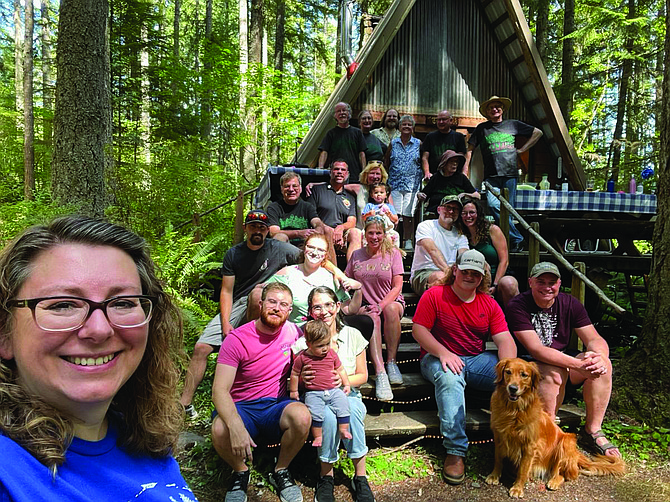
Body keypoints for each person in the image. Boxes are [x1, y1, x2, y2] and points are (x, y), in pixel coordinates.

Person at [0, 216, 195, 500]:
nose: (100, 329)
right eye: (63, 304)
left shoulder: (141, 438)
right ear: (5, 333)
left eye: (123, 303)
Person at [179, 210, 301, 419]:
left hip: (267, 302)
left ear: (267, 231)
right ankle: (184, 404)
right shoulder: (234, 254)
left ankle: (253, 346)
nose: (258, 231)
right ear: (245, 229)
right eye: (253, 226)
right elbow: (226, 291)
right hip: (238, 303)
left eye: (262, 228)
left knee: (256, 294)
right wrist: (226, 323)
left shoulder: (278, 248)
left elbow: (310, 256)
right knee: (201, 348)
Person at [412, 249, 517, 485]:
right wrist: (443, 352)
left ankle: (513, 442)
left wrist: (508, 369)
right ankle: (456, 451)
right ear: (455, 270)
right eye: (465, 271)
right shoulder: (435, 295)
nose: (469, 276)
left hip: (475, 358)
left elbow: (504, 339)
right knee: (450, 377)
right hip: (435, 357)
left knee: (515, 381)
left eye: (475, 274)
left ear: (482, 278)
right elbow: (419, 330)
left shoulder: (488, 303)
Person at [506, 262, 621, 458]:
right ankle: (546, 431)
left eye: (552, 282)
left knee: (603, 366)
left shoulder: (570, 303)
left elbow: (594, 338)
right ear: (530, 282)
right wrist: (579, 365)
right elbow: (537, 350)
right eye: (541, 282)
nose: (547, 287)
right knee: (553, 373)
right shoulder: (518, 305)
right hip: (530, 365)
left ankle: (593, 430)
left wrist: (599, 357)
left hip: (565, 362)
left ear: (559, 284)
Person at [212, 282, 311, 502]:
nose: (277, 308)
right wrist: (235, 425)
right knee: (220, 428)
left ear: (290, 310)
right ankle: (240, 472)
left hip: (276, 405)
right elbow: (219, 390)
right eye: (272, 302)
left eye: (283, 304)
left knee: (302, 416)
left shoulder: (295, 333)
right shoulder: (236, 339)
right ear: (260, 303)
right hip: (242, 406)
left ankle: (281, 470)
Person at [293, 286, 375, 502]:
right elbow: (294, 378)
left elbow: (363, 375)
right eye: (317, 307)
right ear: (311, 312)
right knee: (327, 418)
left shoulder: (353, 335)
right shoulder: (303, 343)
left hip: (347, 394)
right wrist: (303, 381)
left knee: (353, 411)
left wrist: (343, 379)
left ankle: (360, 477)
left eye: (329, 304)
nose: (324, 311)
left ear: (338, 306)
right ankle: (326, 475)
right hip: (316, 396)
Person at [465, 95, 543, 252]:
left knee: (509, 210)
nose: (494, 109)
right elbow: (470, 148)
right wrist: (465, 168)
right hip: (490, 176)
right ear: (487, 112)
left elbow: (538, 133)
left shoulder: (512, 124)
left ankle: (511, 243)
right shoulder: (482, 128)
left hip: (510, 174)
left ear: (502, 109)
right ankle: (517, 239)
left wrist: (522, 150)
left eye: (497, 106)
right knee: (494, 205)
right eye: (491, 107)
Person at [345, 217, 405, 401]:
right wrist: (355, 306)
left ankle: (392, 362)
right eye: (371, 233)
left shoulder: (393, 254)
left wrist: (381, 305)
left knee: (389, 310)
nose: (375, 237)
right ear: (364, 234)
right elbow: (347, 282)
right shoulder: (356, 255)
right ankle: (380, 373)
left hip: (391, 301)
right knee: (372, 317)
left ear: (384, 234)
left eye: (378, 233)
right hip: (365, 305)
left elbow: (397, 286)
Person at [265, 233, 365, 331]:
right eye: (311, 247)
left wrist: (358, 289)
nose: (315, 252)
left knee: (365, 322)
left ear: (325, 254)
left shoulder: (332, 277)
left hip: (326, 329)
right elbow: (263, 291)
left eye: (321, 250)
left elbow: (349, 309)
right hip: (297, 330)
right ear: (304, 249)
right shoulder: (287, 273)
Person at [289, 320, 352, 448]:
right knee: (315, 412)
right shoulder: (303, 357)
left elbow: (340, 369)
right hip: (313, 392)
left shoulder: (331, 354)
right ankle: (318, 436)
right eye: (319, 346)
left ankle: (344, 429)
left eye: (327, 344)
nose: (324, 349)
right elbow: (294, 374)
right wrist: (294, 391)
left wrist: (346, 384)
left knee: (343, 404)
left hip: (333, 390)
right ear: (308, 344)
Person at [460, 196, 519, 308]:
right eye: (464, 213)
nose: (468, 216)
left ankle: (514, 319)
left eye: (472, 212)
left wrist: (495, 284)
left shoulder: (492, 230)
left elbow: (504, 260)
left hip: (497, 276)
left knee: (509, 284)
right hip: (473, 278)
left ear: (478, 213)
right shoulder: (459, 233)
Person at [384, 114, 429, 249]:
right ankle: (394, 239)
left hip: (412, 184)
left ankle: (408, 240)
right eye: (404, 124)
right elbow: (386, 161)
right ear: (399, 127)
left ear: (413, 128)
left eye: (409, 125)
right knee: (395, 214)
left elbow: (422, 161)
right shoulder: (393, 143)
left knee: (408, 214)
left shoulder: (418, 143)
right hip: (395, 183)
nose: (406, 127)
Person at [410, 195, 469, 295]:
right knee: (441, 277)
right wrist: (449, 273)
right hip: (424, 273)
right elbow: (432, 251)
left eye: (455, 209)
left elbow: (464, 255)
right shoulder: (426, 226)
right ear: (439, 209)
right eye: (448, 207)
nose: (451, 211)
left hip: (452, 274)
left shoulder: (460, 234)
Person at [308, 160, 362, 262]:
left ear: (347, 174)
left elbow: (352, 221)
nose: (339, 172)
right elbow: (311, 215)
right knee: (327, 232)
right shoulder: (317, 190)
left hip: (341, 235)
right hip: (322, 232)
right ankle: (334, 274)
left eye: (343, 170)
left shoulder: (350, 196)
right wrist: (327, 229)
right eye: (336, 169)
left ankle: (354, 272)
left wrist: (341, 228)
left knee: (356, 233)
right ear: (330, 172)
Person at [267, 172, 325, 246]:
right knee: (280, 237)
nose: (291, 189)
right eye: (287, 186)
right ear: (281, 189)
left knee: (326, 230)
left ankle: (329, 258)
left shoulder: (307, 206)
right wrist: (298, 233)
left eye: (295, 186)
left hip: (305, 247)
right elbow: (273, 232)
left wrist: (318, 228)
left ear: (300, 189)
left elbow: (316, 221)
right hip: (284, 247)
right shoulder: (274, 207)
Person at [418, 150, 479, 215]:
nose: (455, 164)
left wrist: (465, 195)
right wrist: (420, 195)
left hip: (455, 213)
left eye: (456, 161)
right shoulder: (436, 177)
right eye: (452, 161)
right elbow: (423, 194)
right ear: (444, 164)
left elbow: (477, 196)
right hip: (436, 212)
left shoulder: (461, 178)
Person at [318, 102, 367, 183]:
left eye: (344, 110)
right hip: (337, 175)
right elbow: (324, 151)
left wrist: (364, 171)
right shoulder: (331, 133)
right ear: (335, 115)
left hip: (354, 175)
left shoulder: (357, 132)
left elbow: (362, 154)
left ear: (349, 113)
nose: (342, 113)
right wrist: (320, 169)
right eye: (338, 111)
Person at [420, 110, 467, 175]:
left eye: (444, 119)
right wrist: (427, 172)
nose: (441, 122)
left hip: (453, 176)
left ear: (450, 121)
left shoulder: (459, 137)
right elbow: (425, 157)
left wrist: (464, 174)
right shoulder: (430, 137)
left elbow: (462, 158)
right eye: (439, 120)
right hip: (434, 176)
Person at [362, 182, 400, 247]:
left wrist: (390, 215)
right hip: (372, 228)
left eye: (381, 192)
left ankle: (393, 252)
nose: (379, 195)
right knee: (363, 235)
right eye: (376, 193)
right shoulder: (370, 205)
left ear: (386, 195)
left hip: (386, 229)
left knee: (393, 236)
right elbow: (363, 218)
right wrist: (369, 214)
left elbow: (395, 219)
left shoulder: (389, 206)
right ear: (371, 195)